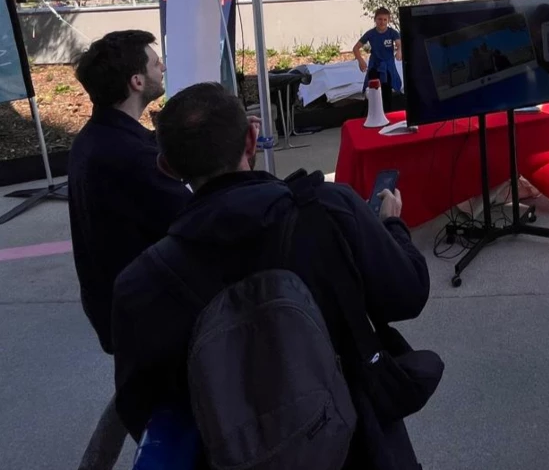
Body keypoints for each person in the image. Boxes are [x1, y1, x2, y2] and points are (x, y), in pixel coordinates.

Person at [112, 82, 433, 469]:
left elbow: (142, 411)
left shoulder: (140, 283)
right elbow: (408, 294)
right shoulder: (330, 207)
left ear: (167, 167)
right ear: (252, 137)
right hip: (363, 447)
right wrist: (393, 227)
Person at [66, 30, 191, 470]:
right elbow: (197, 216)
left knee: (136, 393)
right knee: (170, 417)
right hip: (148, 317)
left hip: (118, 310)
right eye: (155, 63)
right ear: (137, 81)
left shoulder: (92, 141)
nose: (161, 68)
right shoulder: (132, 154)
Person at [354, 7, 402, 107]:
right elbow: (356, 48)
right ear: (375, 19)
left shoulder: (392, 33)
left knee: (386, 92)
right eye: (380, 19)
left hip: (388, 67)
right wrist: (360, 60)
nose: (382, 22)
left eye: (385, 19)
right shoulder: (370, 34)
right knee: (374, 91)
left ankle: (388, 114)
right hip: (374, 66)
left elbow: (399, 44)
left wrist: (399, 51)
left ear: (388, 20)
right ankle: (373, 113)